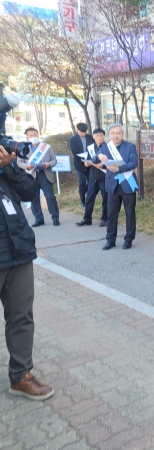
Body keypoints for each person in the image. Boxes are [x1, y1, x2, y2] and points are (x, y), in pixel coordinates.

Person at [0, 144, 54, 400]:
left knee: (21, 316)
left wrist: (9, 167)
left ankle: (21, 375)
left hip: (17, 250)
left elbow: (29, 191)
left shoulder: (5, 166)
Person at [92, 123, 139, 250]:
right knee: (111, 214)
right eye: (113, 133)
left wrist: (119, 168)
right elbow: (94, 159)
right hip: (112, 185)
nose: (116, 136)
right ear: (109, 134)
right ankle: (110, 240)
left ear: (122, 134)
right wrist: (99, 156)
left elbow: (134, 162)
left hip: (128, 182)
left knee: (130, 213)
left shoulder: (130, 146)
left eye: (118, 133)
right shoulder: (106, 147)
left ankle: (128, 239)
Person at [17, 128, 60, 227]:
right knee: (34, 198)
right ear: (27, 137)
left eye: (35, 135)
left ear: (38, 135)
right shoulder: (23, 148)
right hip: (31, 175)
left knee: (50, 197)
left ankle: (55, 217)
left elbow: (54, 160)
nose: (33, 137)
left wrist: (49, 164)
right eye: (31, 135)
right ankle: (38, 219)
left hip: (44, 174)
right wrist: (27, 166)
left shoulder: (46, 147)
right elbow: (19, 162)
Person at [76, 128, 108, 227]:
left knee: (105, 199)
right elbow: (86, 163)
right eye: (97, 135)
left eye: (101, 135)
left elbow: (108, 163)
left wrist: (95, 164)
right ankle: (87, 219)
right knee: (89, 198)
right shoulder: (90, 148)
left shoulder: (107, 148)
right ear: (93, 136)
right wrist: (90, 163)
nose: (100, 137)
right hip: (92, 177)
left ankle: (104, 219)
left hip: (104, 177)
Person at [69, 123, 93, 208]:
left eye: (85, 132)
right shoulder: (73, 139)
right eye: (81, 132)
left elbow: (93, 149)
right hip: (79, 164)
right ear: (77, 130)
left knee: (91, 182)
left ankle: (88, 197)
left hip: (90, 163)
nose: (83, 133)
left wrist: (89, 160)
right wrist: (83, 160)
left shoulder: (90, 137)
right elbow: (75, 152)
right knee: (82, 182)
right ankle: (82, 200)